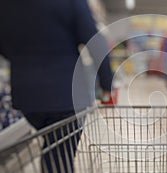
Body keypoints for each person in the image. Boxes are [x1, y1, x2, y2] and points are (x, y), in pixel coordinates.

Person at [0, 0, 113, 172]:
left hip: (27, 98)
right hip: (67, 95)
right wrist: (107, 85)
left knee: (53, 148)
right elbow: (95, 42)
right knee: (60, 155)